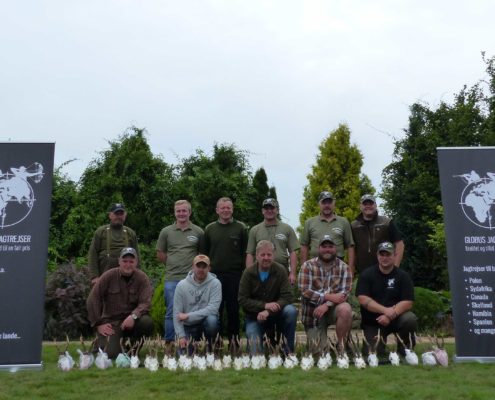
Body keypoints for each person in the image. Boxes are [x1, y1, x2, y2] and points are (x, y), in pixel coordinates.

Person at [86, 247, 153, 359]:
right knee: (111, 355)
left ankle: (132, 351)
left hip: (132, 321)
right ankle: (100, 343)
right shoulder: (108, 276)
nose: (128, 264)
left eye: (131, 261)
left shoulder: (142, 278)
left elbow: (146, 303)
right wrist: (98, 323)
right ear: (119, 261)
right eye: (125, 261)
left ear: (136, 262)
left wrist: (134, 316)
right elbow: (92, 299)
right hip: (112, 323)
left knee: (147, 322)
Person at [355, 241, 417, 356]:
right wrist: (385, 311)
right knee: (372, 353)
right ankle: (380, 347)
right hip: (373, 322)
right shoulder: (366, 274)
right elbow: (362, 299)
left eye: (388, 255)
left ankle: (405, 349)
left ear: (394, 256)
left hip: (396, 318)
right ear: (377, 256)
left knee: (410, 319)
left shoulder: (403, 276)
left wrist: (390, 314)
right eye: (382, 255)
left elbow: (408, 302)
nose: (384, 258)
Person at [200, 197, 247, 345]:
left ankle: (234, 343)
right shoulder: (209, 229)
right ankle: (215, 343)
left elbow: (246, 253)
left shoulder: (241, 228)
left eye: (228, 207)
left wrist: (244, 273)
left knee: (233, 310)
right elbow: (203, 254)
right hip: (214, 277)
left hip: (235, 275)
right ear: (217, 210)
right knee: (215, 310)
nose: (226, 210)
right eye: (223, 208)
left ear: (232, 209)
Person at [156, 200, 204, 342]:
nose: (181, 214)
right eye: (178, 211)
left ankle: (191, 344)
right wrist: (172, 263)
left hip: (192, 279)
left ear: (189, 212)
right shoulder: (166, 231)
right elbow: (160, 253)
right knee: (172, 312)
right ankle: (170, 344)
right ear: (175, 213)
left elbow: (201, 256)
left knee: (192, 312)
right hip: (172, 278)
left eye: (184, 211)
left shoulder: (198, 231)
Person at [238, 240, 297, 355]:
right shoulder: (248, 273)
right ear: (257, 256)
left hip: (277, 314)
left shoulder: (280, 270)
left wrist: (268, 311)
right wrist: (264, 305)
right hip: (254, 317)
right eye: (263, 254)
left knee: (291, 311)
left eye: (269, 254)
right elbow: (242, 299)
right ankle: (257, 348)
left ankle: (288, 352)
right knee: (255, 356)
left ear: (273, 255)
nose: (266, 258)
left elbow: (288, 296)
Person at [298, 235, 353, 355]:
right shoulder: (307, 266)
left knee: (346, 309)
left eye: (330, 246)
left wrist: (326, 305)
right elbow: (304, 290)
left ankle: (341, 346)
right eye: (324, 246)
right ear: (318, 248)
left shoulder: (344, 268)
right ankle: (321, 345)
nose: (327, 249)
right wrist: (327, 296)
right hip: (313, 315)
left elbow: (344, 294)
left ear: (336, 249)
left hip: (334, 310)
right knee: (320, 353)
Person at [173, 254, 221, 354]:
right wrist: (181, 336)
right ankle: (194, 348)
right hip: (188, 326)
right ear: (193, 267)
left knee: (212, 320)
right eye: (198, 266)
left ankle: (210, 348)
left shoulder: (215, 283)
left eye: (204, 266)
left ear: (209, 268)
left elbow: (213, 309)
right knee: (184, 356)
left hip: (205, 324)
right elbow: (176, 314)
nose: (201, 269)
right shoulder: (181, 285)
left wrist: (188, 316)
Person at [245, 198, 300, 285]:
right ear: (262, 211)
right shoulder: (254, 230)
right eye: (266, 208)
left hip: (282, 272)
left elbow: (293, 252)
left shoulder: (287, 228)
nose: (269, 211)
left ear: (277, 210)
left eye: (272, 208)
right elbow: (250, 254)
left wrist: (293, 273)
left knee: (283, 297)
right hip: (260, 272)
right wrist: (249, 274)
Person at [300, 191, 355, 273]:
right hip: (315, 267)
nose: (327, 205)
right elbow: (304, 246)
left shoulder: (343, 222)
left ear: (334, 204)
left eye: (329, 202)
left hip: (338, 267)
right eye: (324, 202)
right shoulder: (310, 222)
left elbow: (350, 246)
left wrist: (350, 268)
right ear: (319, 204)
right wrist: (303, 268)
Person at [351, 194, 405, 274]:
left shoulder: (386, 222)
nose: (368, 206)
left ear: (375, 205)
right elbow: (351, 248)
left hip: (385, 271)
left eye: (371, 203)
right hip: (362, 272)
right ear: (360, 206)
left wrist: (395, 267)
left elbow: (400, 244)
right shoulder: (354, 225)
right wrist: (352, 269)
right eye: (365, 204)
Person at [87, 202, 139, 284]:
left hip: (127, 277)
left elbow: (137, 256)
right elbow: (93, 254)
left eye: (121, 214)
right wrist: (94, 276)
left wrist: (137, 276)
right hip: (104, 277)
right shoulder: (100, 232)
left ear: (125, 215)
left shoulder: (131, 233)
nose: (118, 216)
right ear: (110, 215)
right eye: (116, 213)